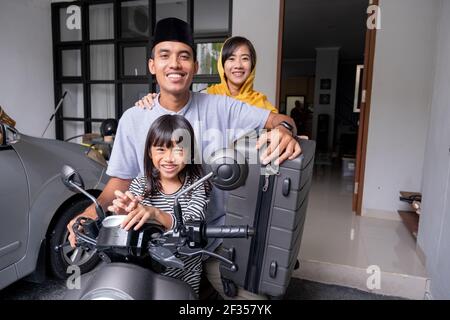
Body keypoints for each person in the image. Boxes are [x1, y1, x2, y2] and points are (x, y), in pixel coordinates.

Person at [67, 17, 300, 300]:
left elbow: (279, 119)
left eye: (184, 56)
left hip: (211, 241)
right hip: (149, 243)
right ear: (153, 65)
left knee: (255, 301)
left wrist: (285, 131)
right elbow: (121, 180)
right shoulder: (134, 117)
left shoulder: (220, 106)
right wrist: (91, 211)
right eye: (164, 55)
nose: (174, 64)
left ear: (195, 67)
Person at [108, 114, 208, 296]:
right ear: (149, 152)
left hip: (184, 275)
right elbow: (130, 229)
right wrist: (124, 213)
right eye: (160, 149)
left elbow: (191, 224)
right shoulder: (140, 183)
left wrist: (154, 213)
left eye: (178, 150)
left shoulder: (197, 185)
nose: (169, 158)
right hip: (146, 272)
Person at [136, 36, 278, 113]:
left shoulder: (262, 104)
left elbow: (282, 128)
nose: (238, 65)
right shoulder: (207, 96)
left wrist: (284, 130)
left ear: (253, 64)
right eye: (231, 58)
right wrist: (157, 100)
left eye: (245, 58)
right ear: (222, 64)